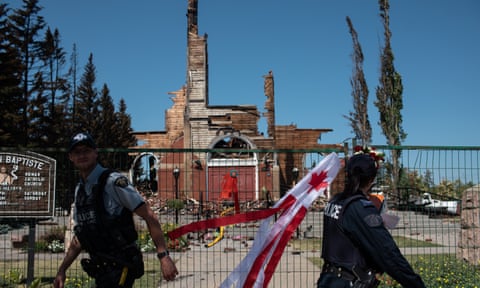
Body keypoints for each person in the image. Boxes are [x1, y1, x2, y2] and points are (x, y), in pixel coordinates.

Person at [54, 132, 178, 288]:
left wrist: (164, 256)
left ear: (95, 152)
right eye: (77, 152)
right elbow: (80, 238)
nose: (82, 155)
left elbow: (149, 215)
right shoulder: (80, 190)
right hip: (101, 268)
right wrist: (62, 270)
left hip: (121, 265)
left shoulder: (112, 182)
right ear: (70, 157)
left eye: (86, 150)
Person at [317, 152, 425, 288]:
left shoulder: (336, 201)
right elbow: (388, 252)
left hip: (328, 279)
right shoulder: (359, 207)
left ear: (348, 175)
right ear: (372, 179)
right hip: (347, 282)